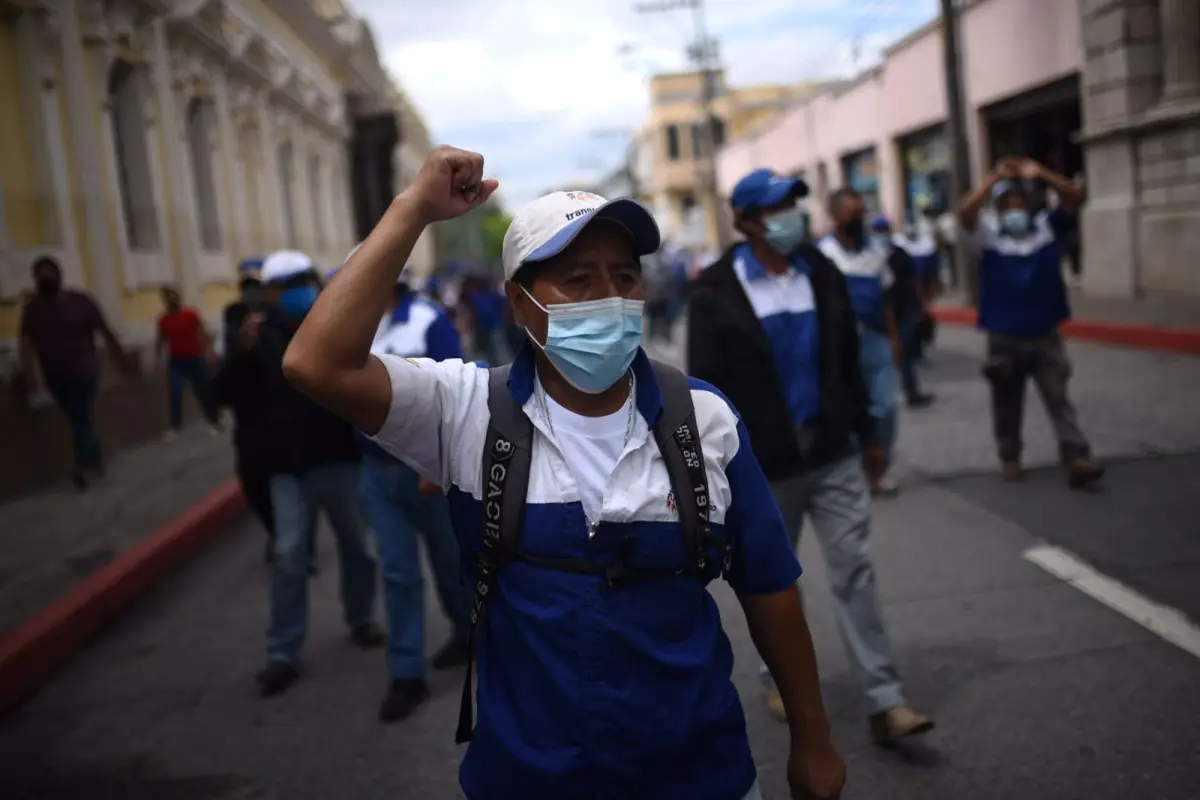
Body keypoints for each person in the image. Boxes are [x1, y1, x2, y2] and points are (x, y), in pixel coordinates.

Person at [282, 147, 846, 800]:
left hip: (703, 776)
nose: (610, 299)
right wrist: (412, 210)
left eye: (625, 277)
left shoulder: (704, 419)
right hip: (527, 782)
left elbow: (769, 586)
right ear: (520, 306)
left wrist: (813, 739)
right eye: (578, 281)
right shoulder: (466, 413)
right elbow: (315, 365)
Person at [688, 167, 934, 746]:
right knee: (776, 581)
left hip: (831, 452)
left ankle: (885, 698)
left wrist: (870, 434)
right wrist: (715, 468)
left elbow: (846, 360)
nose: (791, 216)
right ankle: (780, 673)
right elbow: (704, 388)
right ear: (745, 221)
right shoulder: (714, 290)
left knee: (855, 569)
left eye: (795, 203)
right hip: (764, 467)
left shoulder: (818, 271)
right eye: (776, 208)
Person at [219, 248, 383, 696]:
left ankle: (362, 618)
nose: (299, 293)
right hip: (288, 468)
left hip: (339, 460)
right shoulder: (255, 337)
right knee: (291, 555)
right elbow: (225, 394)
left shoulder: (331, 325)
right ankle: (282, 651)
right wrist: (240, 352)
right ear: (270, 293)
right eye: (288, 286)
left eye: (303, 282)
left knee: (359, 548)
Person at [359, 267, 473, 722]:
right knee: (397, 570)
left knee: (450, 562)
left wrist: (442, 460)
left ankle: (469, 634)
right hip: (376, 471)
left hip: (423, 469)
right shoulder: (361, 326)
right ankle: (407, 674)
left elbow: (455, 392)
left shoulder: (427, 321)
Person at [958, 157, 1105, 488]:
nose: (1014, 210)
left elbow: (1075, 198)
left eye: (1019, 203)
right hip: (1004, 337)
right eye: (1007, 205)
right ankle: (1010, 454)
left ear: (1030, 206)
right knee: (1007, 403)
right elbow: (966, 212)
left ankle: (1077, 456)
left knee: (1059, 399)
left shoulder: (1045, 230)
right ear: (998, 210)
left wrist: (1040, 174)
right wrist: (993, 177)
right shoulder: (989, 238)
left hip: (1045, 333)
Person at [19, 256, 133, 489]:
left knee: (81, 416)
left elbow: (105, 330)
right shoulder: (33, 309)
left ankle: (83, 467)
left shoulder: (81, 301)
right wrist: (30, 375)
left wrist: (120, 357)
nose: (45, 278)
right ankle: (96, 458)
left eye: (49, 273)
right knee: (79, 419)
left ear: (59, 276)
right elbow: (26, 344)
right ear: (35, 280)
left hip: (84, 371)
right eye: (40, 275)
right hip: (54, 376)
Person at [819, 188, 904, 495]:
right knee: (849, 408)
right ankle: (855, 471)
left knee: (885, 405)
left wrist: (894, 339)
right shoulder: (823, 254)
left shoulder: (875, 251)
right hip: (840, 345)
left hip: (875, 338)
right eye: (851, 214)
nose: (858, 219)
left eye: (861, 213)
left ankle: (880, 466)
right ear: (835, 215)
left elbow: (886, 300)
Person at [214, 258, 282, 562]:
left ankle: (289, 541)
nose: (252, 295)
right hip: (250, 425)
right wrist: (242, 348)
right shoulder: (233, 319)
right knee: (254, 483)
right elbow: (222, 384)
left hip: (282, 420)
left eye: (258, 288)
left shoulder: (280, 320)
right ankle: (276, 532)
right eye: (247, 288)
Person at [871, 216, 935, 409]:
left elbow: (914, 279)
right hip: (879, 314)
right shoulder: (869, 255)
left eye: (884, 231)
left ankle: (911, 391)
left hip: (904, 310)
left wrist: (923, 305)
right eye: (878, 231)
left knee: (905, 353)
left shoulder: (900, 253)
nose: (881, 235)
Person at [155, 285, 221, 441]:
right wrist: (158, 359)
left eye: (173, 296)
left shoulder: (191, 314)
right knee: (175, 392)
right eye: (167, 297)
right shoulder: (164, 320)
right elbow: (161, 339)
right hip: (176, 361)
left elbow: (202, 332)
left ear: (178, 297)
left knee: (203, 390)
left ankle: (214, 421)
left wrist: (208, 352)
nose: (171, 300)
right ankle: (175, 426)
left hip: (194, 358)